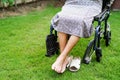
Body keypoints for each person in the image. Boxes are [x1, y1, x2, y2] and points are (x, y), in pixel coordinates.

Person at [51, 0, 103, 73]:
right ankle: (65, 58)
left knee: (80, 21)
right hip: (73, 2)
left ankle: (61, 58)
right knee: (62, 18)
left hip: (91, 4)